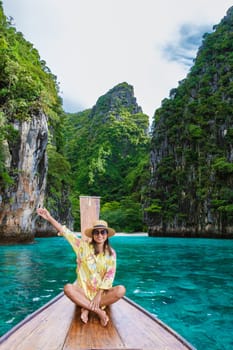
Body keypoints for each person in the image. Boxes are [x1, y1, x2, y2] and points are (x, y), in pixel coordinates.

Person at [36, 208, 126, 326]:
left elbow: (109, 276)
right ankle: (98, 311)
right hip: (82, 292)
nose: (100, 235)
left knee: (121, 290)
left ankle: (87, 307)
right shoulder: (82, 247)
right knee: (68, 288)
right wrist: (49, 217)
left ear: (106, 235)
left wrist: (98, 295)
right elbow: (66, 232)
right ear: (93, 234)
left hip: (101, 295)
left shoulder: (111, 253)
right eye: (96, 232)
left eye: (103, 232)